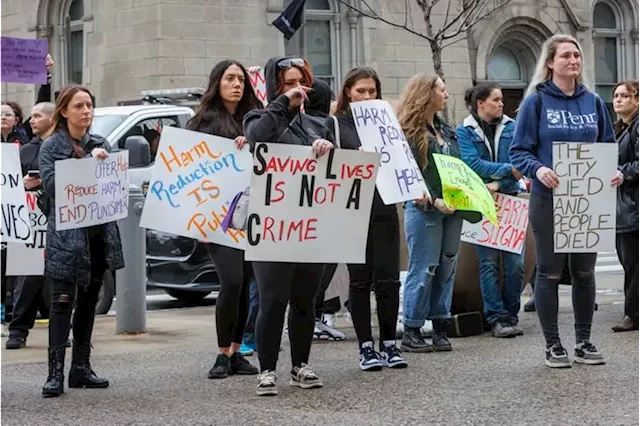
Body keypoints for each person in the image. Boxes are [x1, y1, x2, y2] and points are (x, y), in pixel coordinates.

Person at [509, 34, 621, 368]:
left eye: (577, 56)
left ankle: (584, 341)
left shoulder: (593, 103)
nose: (573, 61)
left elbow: (607, 145)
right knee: (550, 272)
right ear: (550, 63)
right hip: (548, 199)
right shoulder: (536, 102)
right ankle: (553, 344)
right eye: (566, 56)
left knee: (584, 272)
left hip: (587, 201)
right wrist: (539, 169)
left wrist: (613, 172)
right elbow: (519, 151)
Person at [243, 56, 334, 396]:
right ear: (275, 88)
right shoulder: (260, 118)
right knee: (272, 298)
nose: (296, 88)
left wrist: (328, 150)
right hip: (272, 227)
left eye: (301, 82)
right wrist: (281, 105)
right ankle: (267, 370)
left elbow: (335, 173)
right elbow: (257, 139)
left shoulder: (317, 125)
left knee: (305, 300)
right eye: (287, 83)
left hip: (309, 226)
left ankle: (300, 365)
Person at [39, 85, 124, 397]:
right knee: (62, 304)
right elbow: (52, 187)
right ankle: (54, 374)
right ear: (64, 111)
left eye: (89, 106)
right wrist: (89, 163)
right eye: (79, 106)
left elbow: (115, 185)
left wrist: (105, 163)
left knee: (89, 302)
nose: (86, 112)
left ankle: (81, 368)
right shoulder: (51, 147)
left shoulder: (102, 143)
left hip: (98, 235)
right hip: (66, 237)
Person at [326, 66, 407, 370]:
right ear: (348, 91)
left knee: (388, 279)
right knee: (359, 281)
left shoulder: (387, 122)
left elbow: (401, 159)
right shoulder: (335, 123)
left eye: (372, 91)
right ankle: (365, 347)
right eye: (360, 90)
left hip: (384, 205)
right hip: (353, 209)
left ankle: (389, 344)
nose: (367, 96)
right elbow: (328, 165)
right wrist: (354, 156)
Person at [187, 60, 262, 379]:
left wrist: (253, 143)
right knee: (231, 280)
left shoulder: (255, 119)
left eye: (241, 79)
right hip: (216, 218)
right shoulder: (202, 121)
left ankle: (236, 352)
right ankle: (221, 353)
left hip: (251, 215)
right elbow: (190, 170)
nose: (237, 84)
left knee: (245, 283)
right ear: (217, 82)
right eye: (230, 78)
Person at [399, 74, 481, 353]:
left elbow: (458, 168)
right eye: (442, 90)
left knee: (447, 266)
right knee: (424, 268)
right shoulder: (408, 132)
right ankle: (412, 326)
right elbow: (409, 173)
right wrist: (434, 199)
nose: (447, 95)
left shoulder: (446, 130)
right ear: (426, 93)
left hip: (453, 208)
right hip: (424, 210)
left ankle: (440, 324)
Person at [457, 83, 525, 338]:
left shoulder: (512, 126)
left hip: (510, 199)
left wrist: (498, 182)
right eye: (496, 99)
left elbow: (521, 162)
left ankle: (511, 314)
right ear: (480, 103)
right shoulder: (464, 131)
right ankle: (496, 317)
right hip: (480, 200)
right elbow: (471, 164)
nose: (501, 104)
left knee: (515, 264)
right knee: (487, 263)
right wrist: (508, 171)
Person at [5, 102, 56, 349]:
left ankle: (60, 331)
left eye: (38, 116)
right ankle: (18, 330)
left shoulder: (65, 147)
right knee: (27, 280)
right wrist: (22, 185)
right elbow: (8, 186)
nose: (32, 120)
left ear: (52, 118)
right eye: (31, 116)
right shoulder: (25, 151)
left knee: (60, 281)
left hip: (58, 220)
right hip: (31, 223)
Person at [610, 81, 640, 333]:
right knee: (630, 261)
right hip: (626, 206)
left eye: (625, 96)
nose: (618, 100)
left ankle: (632, 313)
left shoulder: (636, 128)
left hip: (633, 206)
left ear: (637, 100)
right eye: (616, 96)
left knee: (632, 263)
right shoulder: (622, 129)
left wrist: (622, 173)